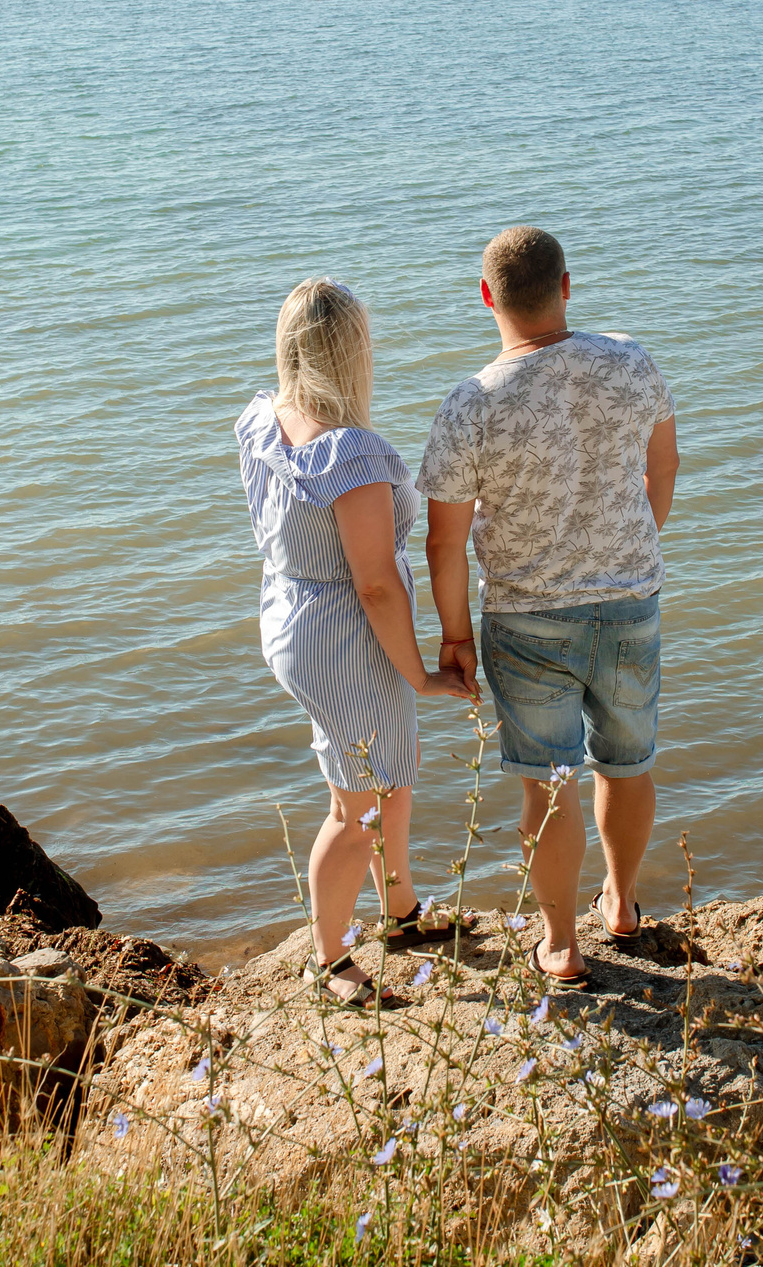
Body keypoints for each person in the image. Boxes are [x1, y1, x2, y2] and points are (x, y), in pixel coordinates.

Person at [419, 228, 679, 989]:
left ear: (487, 297)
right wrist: (632, 545)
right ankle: (623, 903)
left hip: (526, 617)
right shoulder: (632, 360)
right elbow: (662, 465)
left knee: (550, 782)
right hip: (631, 601)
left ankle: (562, 944)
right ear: (567, 286)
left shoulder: (471, 403)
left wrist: (455, 636)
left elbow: (444, 542)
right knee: (628, 765)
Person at [237, 278, 469, 1005]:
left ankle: (400, 913)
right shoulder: (352, 456)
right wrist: (423, 675)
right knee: (358, 805)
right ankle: (329, 957)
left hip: (290, 609)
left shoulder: (263, 418)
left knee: (388, 779)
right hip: (342, 632)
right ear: (354, 354)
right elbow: (376, 585)